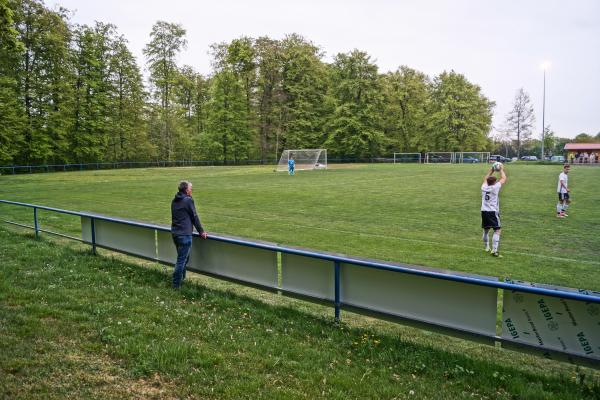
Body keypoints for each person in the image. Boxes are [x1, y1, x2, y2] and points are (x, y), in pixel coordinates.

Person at [171, 180, 208, 289]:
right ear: (187, 190)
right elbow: (194, 217)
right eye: (191, 189)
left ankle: (182, 280)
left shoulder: (174, 200)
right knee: (181, 261)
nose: (192, 191)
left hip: (175, 234)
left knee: (183, 259)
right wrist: (201, 231)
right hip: (184, 235)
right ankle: (175, 285)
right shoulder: (188, 200)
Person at [481, 164, 507, 257]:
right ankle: (494, 251)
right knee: (497, 230)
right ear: (494, 182)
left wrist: (491, 170)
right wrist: (501, 170)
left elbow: (485, 178)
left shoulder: (483, 187)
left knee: (486, 230)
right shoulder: (495, 187)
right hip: (493, 212)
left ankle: (487, 247)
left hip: (484, 211)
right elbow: (504, 178)